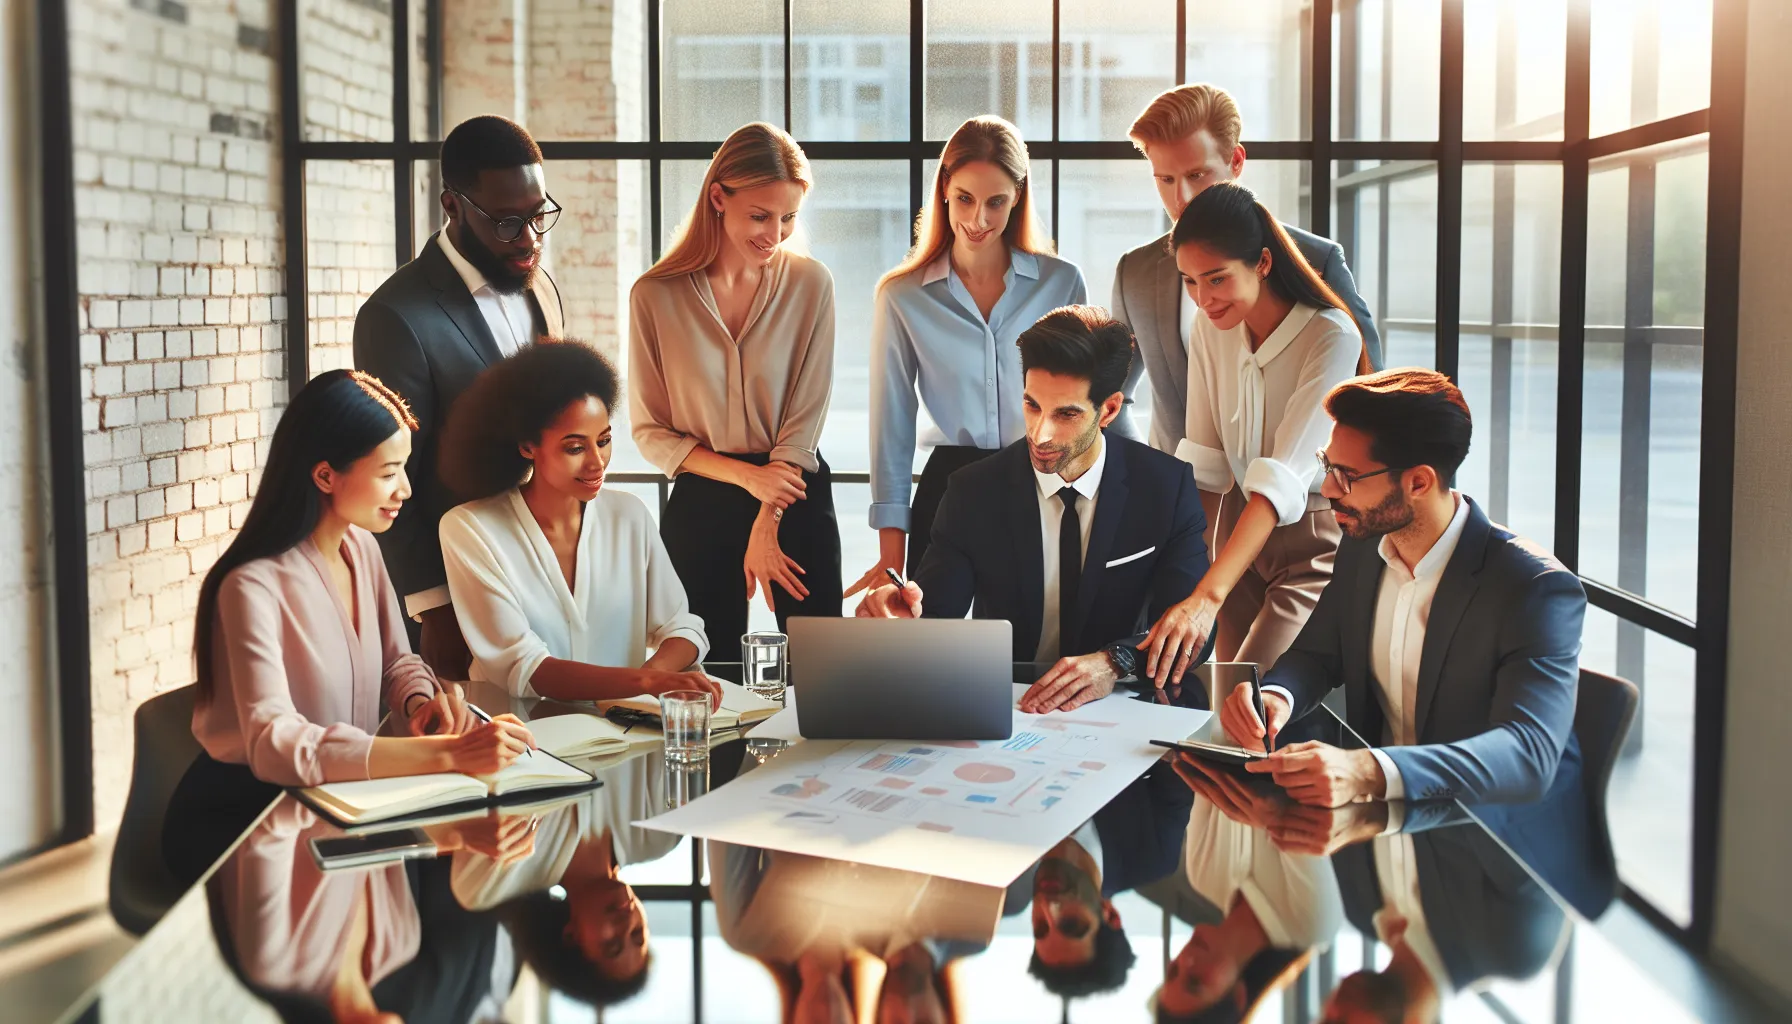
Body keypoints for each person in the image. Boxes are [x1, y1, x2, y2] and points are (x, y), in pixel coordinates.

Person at [166, 370, 535, 885]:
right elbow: (276, 744)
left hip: (338, 798)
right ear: (325, 476)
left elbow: (397, 661)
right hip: (249, 822)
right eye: (389, 472)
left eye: (404, 468)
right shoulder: (250, 587)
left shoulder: (361, 547)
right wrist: (449, 752)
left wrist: (418, 705)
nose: (405, 487)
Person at [1219, 370, 1585, 810]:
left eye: (1348, 475)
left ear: (1418, 483)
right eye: (1326, 465)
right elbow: (1319, 654)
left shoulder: (1534, 590)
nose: (1328, 489)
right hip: (1381, 819)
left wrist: (1369, 770)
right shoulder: (1362, 547)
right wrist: (1276, 697)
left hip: (1489, 838)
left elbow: (1528, 755)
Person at [855, 306, 1211, 713]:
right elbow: (934, 615)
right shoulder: (973, 491)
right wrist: (901, 621)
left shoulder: (1165, 487)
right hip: (1010, 708)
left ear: (1109, 410)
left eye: (1066, 414)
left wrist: (1115, 662)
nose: (1041, 433)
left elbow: (1194, 626)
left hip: (1125, 704)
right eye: (1032, 405)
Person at [354, 115, 566, 679]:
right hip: (458, 600)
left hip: (547, 586)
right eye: (506, 222)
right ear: (452, 205)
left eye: (538, 215)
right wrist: (435, 611)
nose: (529, 239)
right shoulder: (396, 317)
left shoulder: (539, 285)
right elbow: (390, 478)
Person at [1135, 181, 1369, 687]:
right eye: (1190, 282)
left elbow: (1283, 476)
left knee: (1252, 702)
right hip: (1231, 538)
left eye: (1216, 279)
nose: (1202, 299)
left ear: (1263, 263)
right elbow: (1203, 462)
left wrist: (1206, 597)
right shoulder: (1209, 330)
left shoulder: (1331, 335)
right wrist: (1183, 576)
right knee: (1212, 703)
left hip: (1307, 541)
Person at [629, 122, 840, 662]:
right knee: (707, 677)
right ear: (718, 198)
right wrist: (748, 478)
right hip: (703, 496)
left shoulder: (811, 285)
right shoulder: (654, 296)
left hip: (795, 489)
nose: (775, 233)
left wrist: (767, 515)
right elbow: (651, 432)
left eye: (789, 217)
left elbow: (805, 415)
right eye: (760, 216)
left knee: (822, 668)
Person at [854, 115, 1089, 588]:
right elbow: (891, 429)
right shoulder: (902, 297)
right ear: (943, 188)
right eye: (965, 198)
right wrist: (890, 559)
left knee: (1034, 651)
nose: (977, 220)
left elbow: (1083, 408)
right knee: (932, 652)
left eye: (995, 202)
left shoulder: (1062, 283)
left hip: (1043, 478)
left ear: (1018, 196)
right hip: (947, 488)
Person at [436, 340, 720, 703]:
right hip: (523, 740)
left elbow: (682, 627)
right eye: (575, 447)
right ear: (527, 446)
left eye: (603, 441)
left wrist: (646, 681)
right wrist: (644, 686)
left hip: (620, 735)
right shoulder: (470, 529)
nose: (597, 462)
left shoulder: (628, 516)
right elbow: (522, 667)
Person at [1113, 83, 1381, 453]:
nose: (1182, 199)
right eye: (1166, 179)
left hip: (1296, 498)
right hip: (1179, 495)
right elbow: (1112, 399)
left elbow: (1372, 395)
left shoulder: (1318, 260)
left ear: (1236, 162)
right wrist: (1146, 474)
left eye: (1197, 175)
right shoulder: (1135, 272)